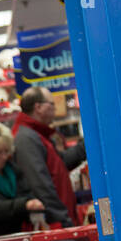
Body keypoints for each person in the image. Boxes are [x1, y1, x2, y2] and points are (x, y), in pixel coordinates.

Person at [11, 87, 87, 227]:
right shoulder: (26, 138)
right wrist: (63, 221)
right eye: (51, 104)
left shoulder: (37, 134)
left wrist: (86, 145)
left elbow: (60, 164)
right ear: (38, 107)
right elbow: (40, 185)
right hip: (53, 227)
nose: (55, 108)